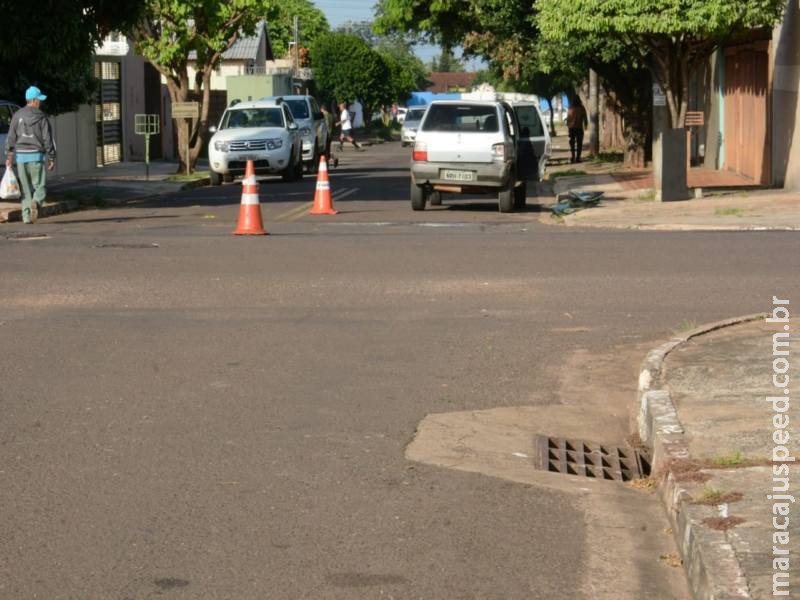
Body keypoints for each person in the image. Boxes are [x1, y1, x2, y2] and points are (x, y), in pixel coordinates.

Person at [5, 86, 55, 223]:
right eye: (39, 99)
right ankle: (36, 202)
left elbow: (11, 137)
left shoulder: (17, 115)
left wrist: (9, 156)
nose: (40, 102)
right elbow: (47, 139)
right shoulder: (41, 117)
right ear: (33, 100)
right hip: (36, 157)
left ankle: (26, 217)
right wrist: (51, 157)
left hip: (21, 158)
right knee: (40, 188)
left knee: (25, 189)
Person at [566, 96, 588, 163]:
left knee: (572, 144)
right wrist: (585, 125)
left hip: (571, 128)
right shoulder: (581, 108)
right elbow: (585, 117)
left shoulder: (570, 107)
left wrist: (568, 126)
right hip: (579, 128)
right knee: (579, 144)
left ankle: (573, 157)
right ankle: (578, 158)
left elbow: (568, 118)